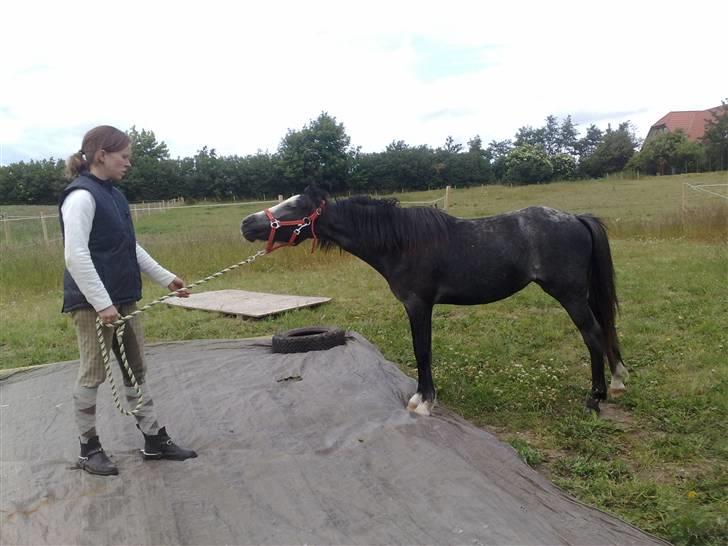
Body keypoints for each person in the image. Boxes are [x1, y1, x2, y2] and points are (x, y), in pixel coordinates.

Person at [60, 125, 197, 476]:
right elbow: (75, 256)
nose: (128, 164)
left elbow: (128, 247)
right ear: (102, 155)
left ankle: (153, 439)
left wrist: (166, 279)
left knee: (136, 369)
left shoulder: (115, 196)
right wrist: (103, 304)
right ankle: (88, 448)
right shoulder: (81, 197)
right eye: (124, 157)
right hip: (93, 305)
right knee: (92, 374)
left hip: (122, 300)